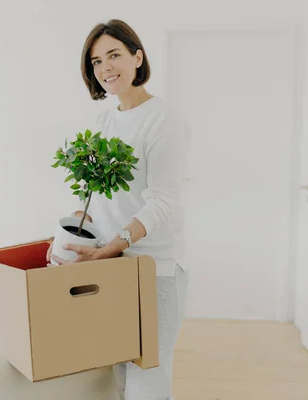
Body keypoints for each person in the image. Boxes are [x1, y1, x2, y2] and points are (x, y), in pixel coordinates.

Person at [46, 19, 191, 400]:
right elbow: (91, 195)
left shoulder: (164, 120)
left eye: (114, 55)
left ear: (137, 57)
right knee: (115, 375)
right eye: (96, 61)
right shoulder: (104, 121)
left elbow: (161, 200)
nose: (105, 67)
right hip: (109, 265)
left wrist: (110, 247)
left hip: (152, 268)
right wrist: (67, 234)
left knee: (148, 378)